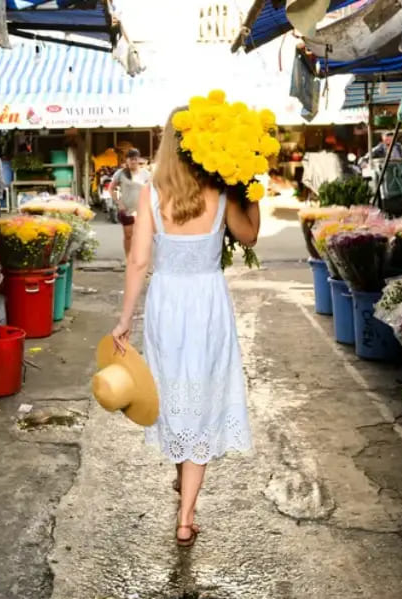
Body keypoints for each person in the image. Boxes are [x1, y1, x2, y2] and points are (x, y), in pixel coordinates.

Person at [111, 107, 258, 547]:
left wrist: (124, 320)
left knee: (176, 393)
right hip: (208, 304)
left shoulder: (151, 193)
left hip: (167, 304)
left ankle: (183, 486)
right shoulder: (220, 191)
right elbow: (249, 235)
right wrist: (250, 188)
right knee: (201, 398)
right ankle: (186, 515)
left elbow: (138, 261)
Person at [109, 148, 150, 257]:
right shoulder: (121, 173)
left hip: (142, 210)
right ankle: (128, 258)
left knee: (141, 236)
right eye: (131, 159)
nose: (133, 161)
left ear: (139, 160)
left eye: (135, 159)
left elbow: (151, 190)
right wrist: (119, 202)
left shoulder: (146, 174)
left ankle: (139, 258)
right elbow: (111, 188)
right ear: (127, 160)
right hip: (126, 209)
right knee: (128, 235)